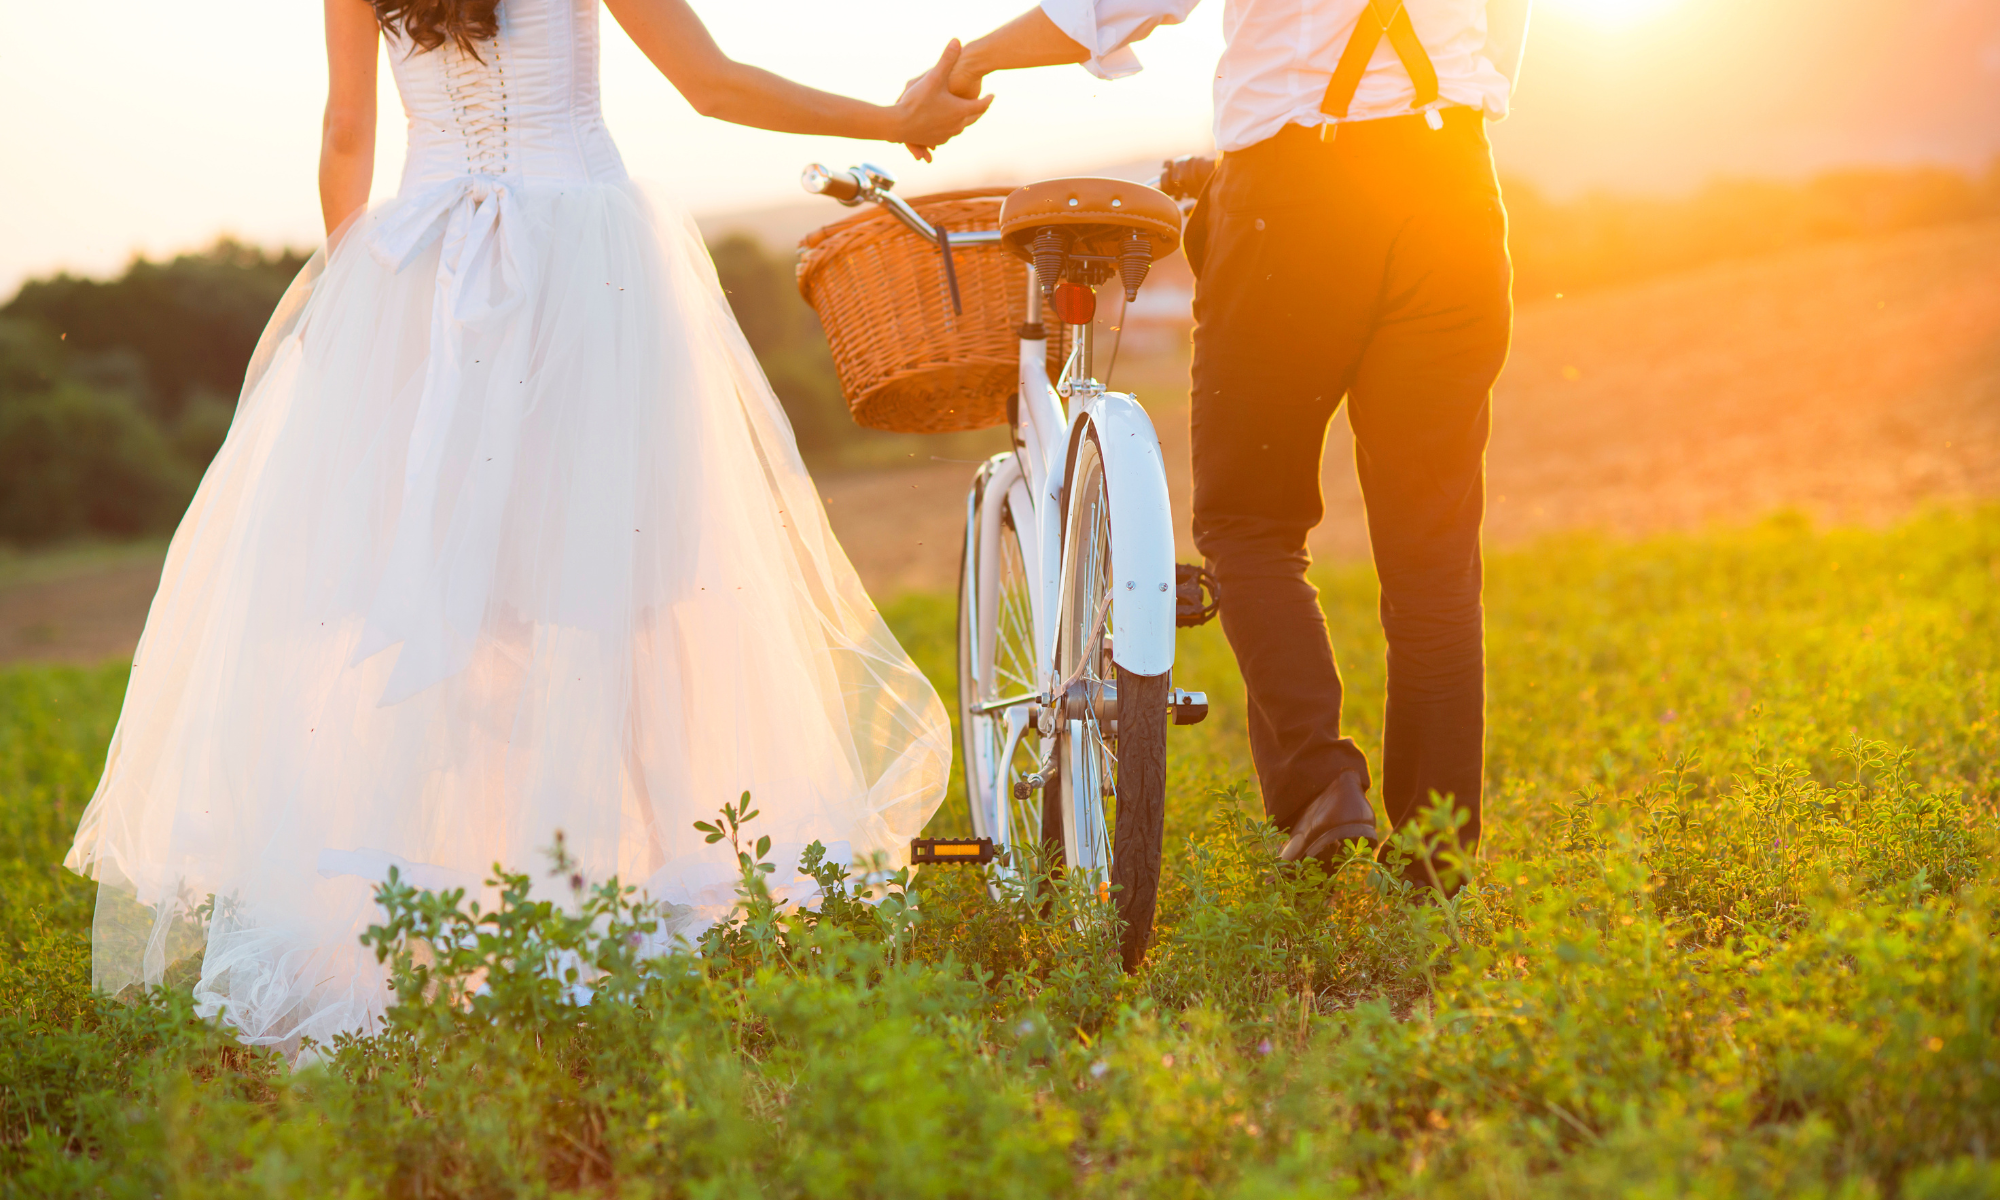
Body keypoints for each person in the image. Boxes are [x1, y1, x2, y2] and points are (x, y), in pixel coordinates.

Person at [63, 0, 989, 1059]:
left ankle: (450, 906)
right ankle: (658, 897)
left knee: (456, 598)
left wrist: (356, 302)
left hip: (425, 268)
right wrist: (891, 119)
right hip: (586, 263)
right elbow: (712, 83)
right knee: (628, 596)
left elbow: (346, 137)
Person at [941, 0, 1532, 889]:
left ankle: (1320, 787)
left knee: (1249, 525)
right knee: (1435, 558)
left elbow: (1108, 10)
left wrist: (965, 66)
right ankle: (1434, 869)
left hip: (1299, 196)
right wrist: (1455, 104)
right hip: (1454, 186)